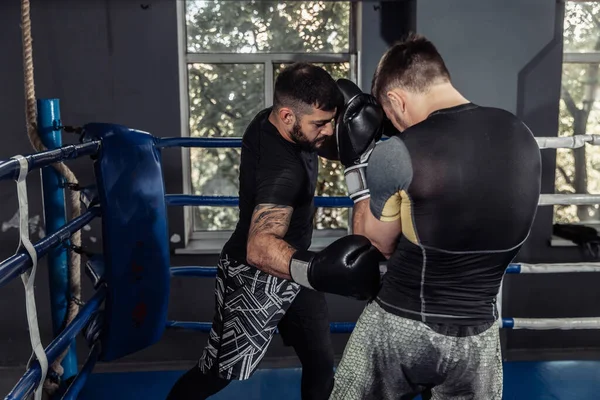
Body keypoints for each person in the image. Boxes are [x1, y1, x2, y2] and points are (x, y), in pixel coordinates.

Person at [330, 33, 542, 399]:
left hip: (401, 322)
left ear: (395, 99)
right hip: (479, 336)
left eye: (391, 115)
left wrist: (357, 167)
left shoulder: (398, 151)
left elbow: (374, 243)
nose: (395, 126)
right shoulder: (522, 136)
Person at [166, 63, 384, 400]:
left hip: (295, 268)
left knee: (321, 363)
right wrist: (316, 270)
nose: (328, 132)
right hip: (254, 274)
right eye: (320, 124)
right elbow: (260, 247)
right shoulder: (281, 171)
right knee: (219, 373)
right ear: (286, 116)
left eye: (332, 121)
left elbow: (326, 127)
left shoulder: (282, 120)